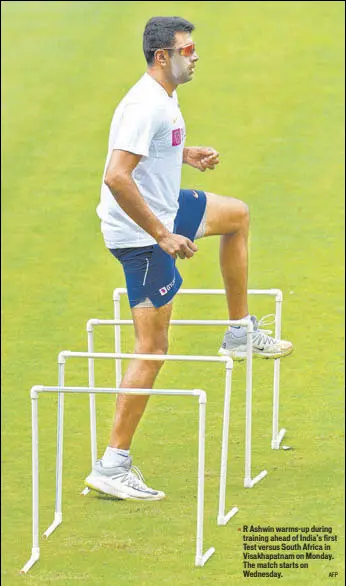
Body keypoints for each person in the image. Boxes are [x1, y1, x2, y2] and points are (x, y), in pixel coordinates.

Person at [85, 16, 293, 501]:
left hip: (167, 207)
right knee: (153, 348)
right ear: (163, 56)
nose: (196, 56)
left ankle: (239, 331)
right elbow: (118, 176)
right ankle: (113, 464)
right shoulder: (144, 106)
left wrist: (184, 155)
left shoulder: (163, 99)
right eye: (188, 49)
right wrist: (161, 235)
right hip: (141, 235)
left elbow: (146, 152)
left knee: (237, 216)